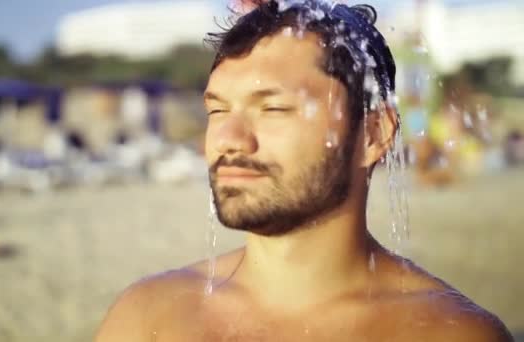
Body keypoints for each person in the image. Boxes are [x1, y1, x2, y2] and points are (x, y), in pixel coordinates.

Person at [96, 1, 513, 340]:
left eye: (273, 108)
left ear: (373, 134)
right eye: (218, 109)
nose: (229, 139)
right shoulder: (146, 319)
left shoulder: (447, 333)